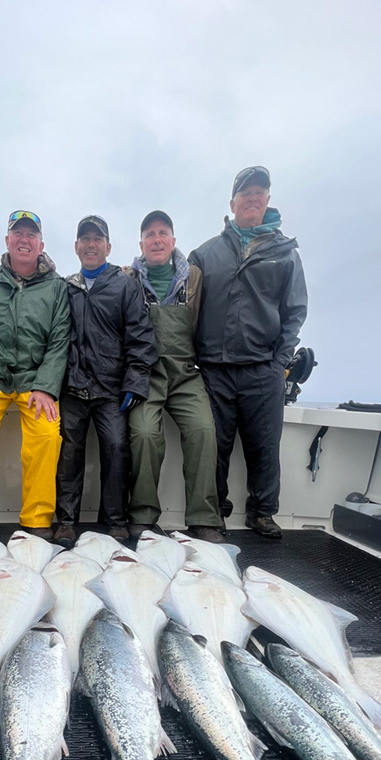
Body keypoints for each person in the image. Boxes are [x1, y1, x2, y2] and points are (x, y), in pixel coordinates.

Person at [190, 166, 308, 539]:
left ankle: (262, 512)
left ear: (268, 200)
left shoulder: (285, 253)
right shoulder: (205, 254)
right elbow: (188, 310)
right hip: (215, 370)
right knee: (215, 447)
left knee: (264, 446)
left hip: (263, 369)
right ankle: (216, 511)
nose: (253, 198)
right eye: (246, 193)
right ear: (232, 203)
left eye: (259, 192)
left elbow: (295, 311)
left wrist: (278, 362)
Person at [0, 210, 70, 543]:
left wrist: (47, 387)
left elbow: (60, 339)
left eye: (31, 234)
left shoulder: (57, 288)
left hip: (36, 381)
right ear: (7, 240)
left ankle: (36, 518)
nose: (24, 239)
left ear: (41, 244)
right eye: (17, 233)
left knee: (47, 436)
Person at [54, 215, 157, 548]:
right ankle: (66, 521)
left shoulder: (126, 285)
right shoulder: (65, 286)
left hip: (111, 390)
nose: (90, 244)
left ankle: (114, 520)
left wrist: (135, 383)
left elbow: (140, 338)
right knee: (69, 452)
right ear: (76, 247)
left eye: (97, 239)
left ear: (108, 246)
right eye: (84, 239)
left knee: (116, 447)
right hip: (72, 388)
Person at [126, 212, 225, 542]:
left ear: (173, 240)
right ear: (141, 244)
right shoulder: (128, 279)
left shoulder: (194, 278)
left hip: (186, 374)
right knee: (142, 433)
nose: (157, 239)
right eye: (150, 234)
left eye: (163, 233)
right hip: (146, 376)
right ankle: (142, 516)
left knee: (203, 431)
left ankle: (204, 519)